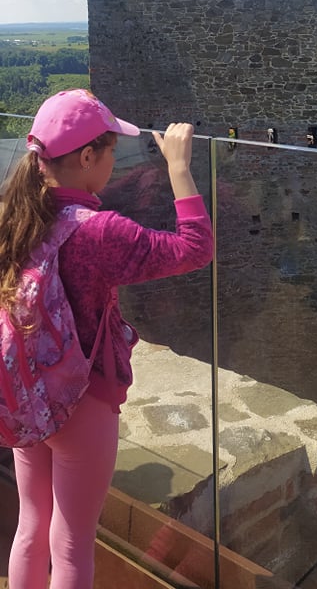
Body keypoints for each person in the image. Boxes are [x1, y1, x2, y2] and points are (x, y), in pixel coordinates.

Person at [0, 89, 213, 589]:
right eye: (111, 150)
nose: (115, 161)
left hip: (27, 391)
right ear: (86, 157)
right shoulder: (99, 232)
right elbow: (195, 247)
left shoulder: (14, 214)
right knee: (72, 542)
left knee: (31, 524)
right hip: (84, 401)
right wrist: (178, 168)